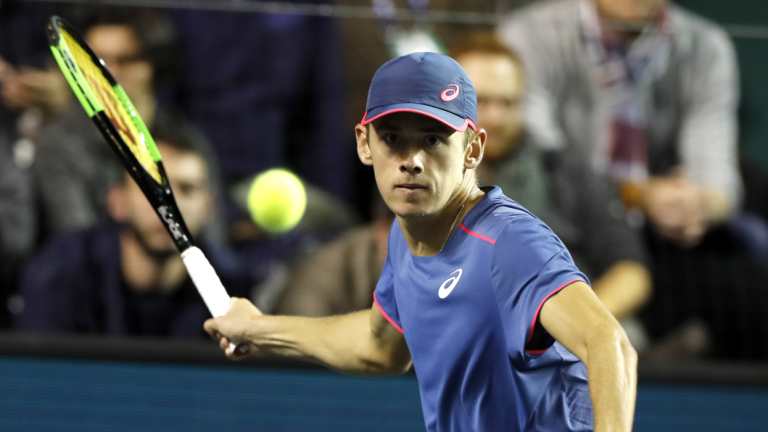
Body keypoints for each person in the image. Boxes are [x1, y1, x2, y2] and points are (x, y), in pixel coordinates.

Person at [206, 52, 636, 431]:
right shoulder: (406, 234)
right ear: (364, 144)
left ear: (472, 149)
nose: (411, 161)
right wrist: (259, 329)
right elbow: (379, 347)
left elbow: (608, 343)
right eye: (393, 139)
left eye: (433, 140)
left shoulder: (509, 241)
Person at [498, 0, 742, 247]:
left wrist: (697, 204)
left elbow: (717, 174)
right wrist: (638, 195)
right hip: (564, 221)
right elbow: (545, 160)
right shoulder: (530, 33)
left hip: (666, 230)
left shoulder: (706, 46)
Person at [451, 33, 651, 324]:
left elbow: (633, 273)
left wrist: (577, 326)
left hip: (564, 340)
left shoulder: (566, 172)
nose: (495, 117)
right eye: (481, 101)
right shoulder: (417, 173)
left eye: (508, 103)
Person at [16, 121, 252, 338]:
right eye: (150, 188)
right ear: (117, 201)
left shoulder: (233, 291)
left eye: (187, 189)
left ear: (209, 207)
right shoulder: (59, 274)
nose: (169, 206)